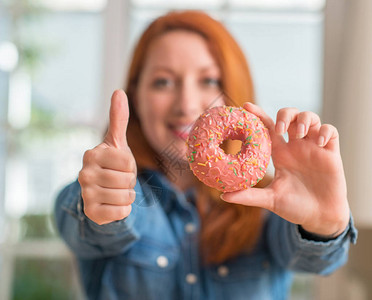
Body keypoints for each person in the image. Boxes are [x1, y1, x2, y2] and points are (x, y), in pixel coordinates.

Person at [55, 10, 357, 300]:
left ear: (233, 90)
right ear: (136, 96)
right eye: (163, 81)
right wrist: (101, 205)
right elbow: (82, 223)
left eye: (209, 81)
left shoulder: (272, 200)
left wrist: (324, 227)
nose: (186, 104)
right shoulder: (112, 189)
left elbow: (316, 263)